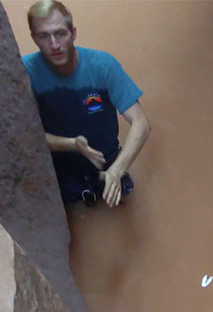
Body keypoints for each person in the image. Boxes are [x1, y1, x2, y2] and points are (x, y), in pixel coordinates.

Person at [22, 0, 151, 207]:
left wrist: (117, 170)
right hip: (62, 168)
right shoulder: (26, 74)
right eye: (44, 36)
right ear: (33, 38)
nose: (54, 45)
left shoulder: (103, 66)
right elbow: (25, 135)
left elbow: (141, 123)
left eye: (60, 33)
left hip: (108, 162)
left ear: (73, 33)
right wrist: (71, 144)